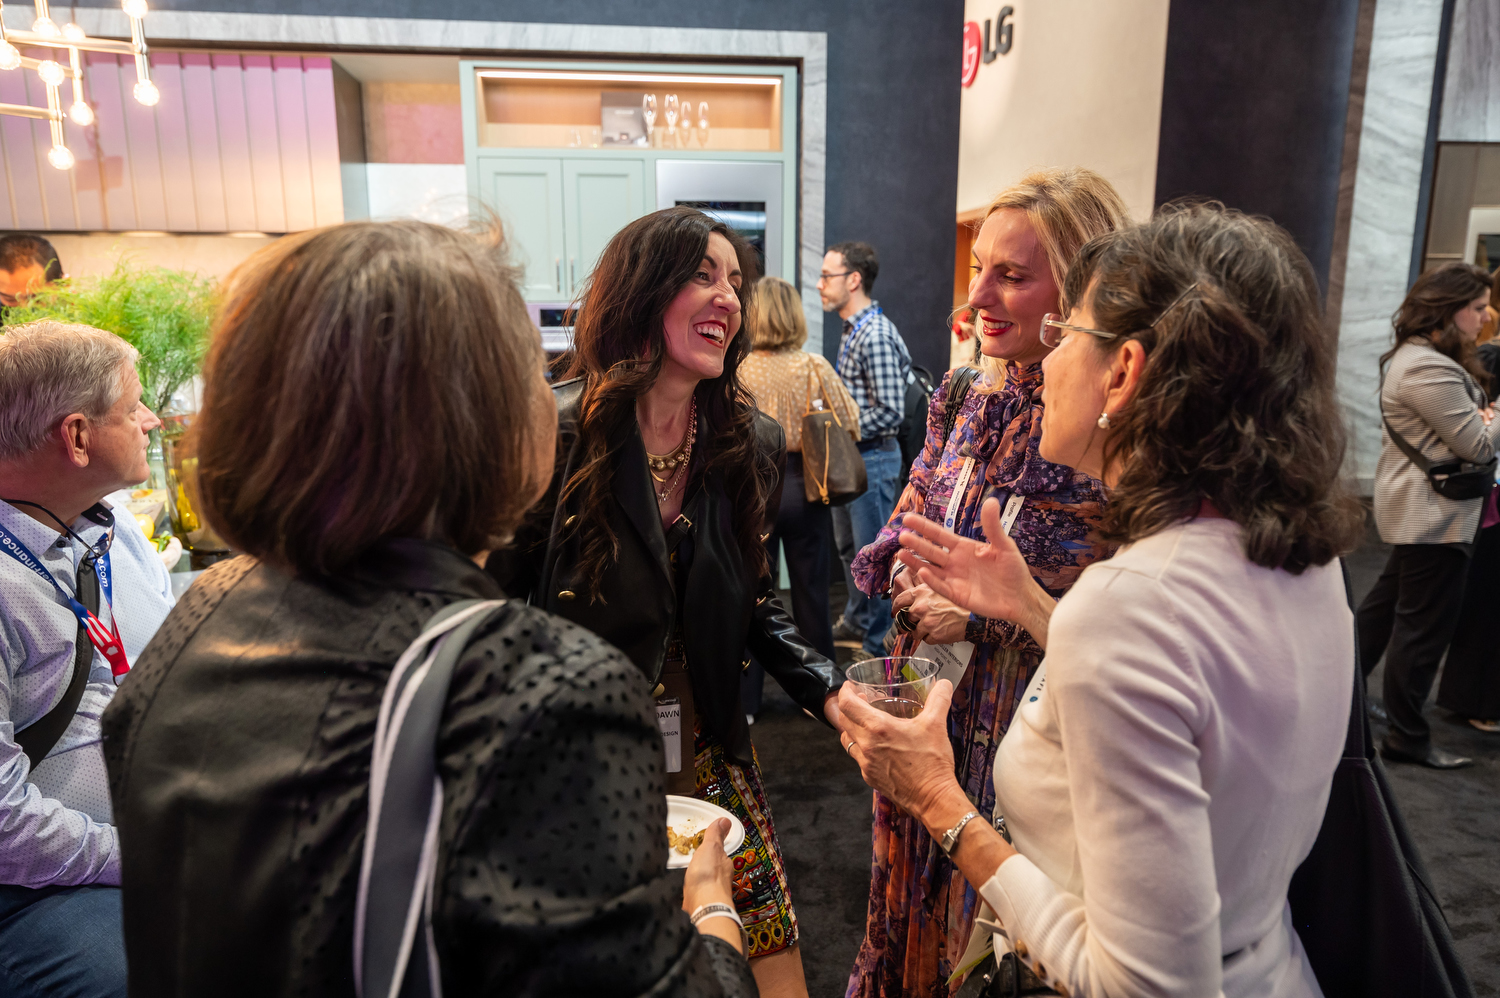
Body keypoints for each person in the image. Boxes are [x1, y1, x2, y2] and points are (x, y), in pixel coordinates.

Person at [100, 220, 757, 997]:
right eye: (529, 370)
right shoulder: (545, 687)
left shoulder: (194, 619)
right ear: (487, 419)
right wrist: (713, 913)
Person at [839, 203, 1366, 998]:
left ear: (1122, 371)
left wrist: (939, 801)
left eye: (1067, 334)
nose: (1048, 361)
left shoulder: (1132, 604)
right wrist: (1029, 606)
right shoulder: (1299, 556)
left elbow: (1142, 984)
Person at [488, 207, 842, 998]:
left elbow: (754, 600)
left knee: (769, 953)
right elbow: (493, 607)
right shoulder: (556, 431)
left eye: (736, 282)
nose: (728, 298)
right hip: (581, 758)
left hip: (708, 741)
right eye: (702, 275)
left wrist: (831, 690)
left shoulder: (746, 441)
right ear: (644, 291)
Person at [843, 168, 1126, 998]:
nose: (981, 297)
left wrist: (977, 614)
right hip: (928, 684)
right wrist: (906, 564)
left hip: (1023, 705)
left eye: (1013, 275)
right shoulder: (965, 388)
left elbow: (1115, 595)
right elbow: (915, 502)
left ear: (1078, 292)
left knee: (993, 915)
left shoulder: (1105, 421)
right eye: (980, 270)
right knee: (904, 883)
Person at [0, 320, 173, 998]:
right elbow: (4, 828)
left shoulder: (111, 526)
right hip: (37, 889)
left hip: (155, 828)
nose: (152, 420)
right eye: (132, 408)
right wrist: (151, 859)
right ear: (76, 437)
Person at [1356, 262, 1497, 769]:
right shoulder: (1428, 367)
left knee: (1383, 612)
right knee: (1422, 630)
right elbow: (1478, 447)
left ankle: (1347, 700)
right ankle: (1407, 736)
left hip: (1425, 509)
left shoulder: (1419, 359)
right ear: (1448, 309)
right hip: (1434, 514)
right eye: (1478, 308)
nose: (1487, 317)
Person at [739, 274, 861, 671]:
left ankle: (748, 696)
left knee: (752, 595)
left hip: (752, 488)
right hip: (804, 486)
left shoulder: (736, 369)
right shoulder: (812, 366)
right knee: (812, 594)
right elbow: (851, 420)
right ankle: (822, 686)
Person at [820, 240, 912, 655]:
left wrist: (842, 429)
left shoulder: (873, 334)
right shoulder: (854, 328)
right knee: (850, 550)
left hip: (872, 458)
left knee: (875, 555)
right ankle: (858, 622)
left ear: (854, 280)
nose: (820, 284)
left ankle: (876, 644)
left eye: (828, 276)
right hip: (856, 457)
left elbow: (890, 413)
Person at [0, 234, 65, 308]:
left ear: (63, 284)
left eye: (37, 299)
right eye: (10, 299)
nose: (24, 308)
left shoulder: (74, 309)